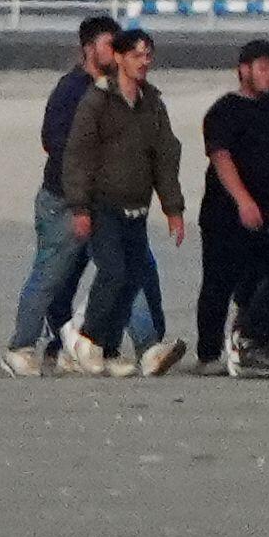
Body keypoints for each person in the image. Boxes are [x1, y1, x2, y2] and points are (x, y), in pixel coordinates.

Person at [55, 27, 187, 376]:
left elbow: (165, 155)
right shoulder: (97, 101)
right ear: (118, 58)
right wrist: (79, 208)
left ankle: (107, 348)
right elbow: (78, 156)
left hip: (137, 209)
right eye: (136, 55)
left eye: (148, 55)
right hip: (103, 205)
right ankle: (85, 338)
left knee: (132, 279)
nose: (144, 61)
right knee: (113, 273)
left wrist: (173, 208)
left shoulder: (152, 103)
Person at [3, 15, 120, 376]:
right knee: (51, 275)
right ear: (89, 49)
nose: (115, 53)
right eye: (108, 45)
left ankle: (127, 345)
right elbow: (52, 141)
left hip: (104, 198)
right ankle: (21, 346)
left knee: (125, 270)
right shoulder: (72, 89)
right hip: (63, 199)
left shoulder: (117, 89)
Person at [196, 38, 269, 375]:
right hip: (224, 213)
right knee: (218, 283)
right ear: (244, 70)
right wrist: (243, 201)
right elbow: (220, 158)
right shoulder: (224, 110)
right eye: (264, 68)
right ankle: (209, 354)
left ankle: (258, 344)